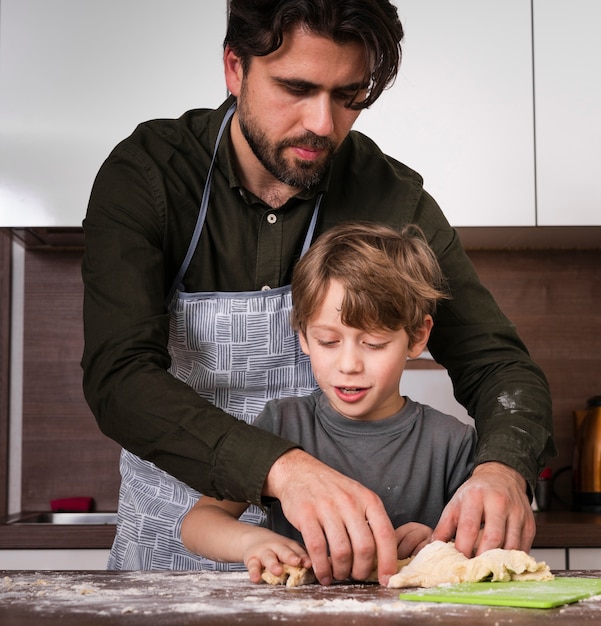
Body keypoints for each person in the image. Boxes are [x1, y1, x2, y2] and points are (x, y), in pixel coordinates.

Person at [81, 0, 555, 586]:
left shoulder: (394, 199)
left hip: (328, 580)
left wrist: (504, 469)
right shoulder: (149, 176)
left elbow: (499, 366)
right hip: (165, 555)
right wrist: (281, 467)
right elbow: (118, 378)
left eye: (348, 95)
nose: (323, 124)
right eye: (296, 88)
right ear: (235, 69)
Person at [180, 222, 477, 584]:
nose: (349, 365)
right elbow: (198, 522)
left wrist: (439, 546)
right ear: (303, 335)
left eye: (374, 344)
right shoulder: (281, 424)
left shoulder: (451, 442)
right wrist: (252, 540)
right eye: (328, 341)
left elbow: (487, 551)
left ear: (417, 337)